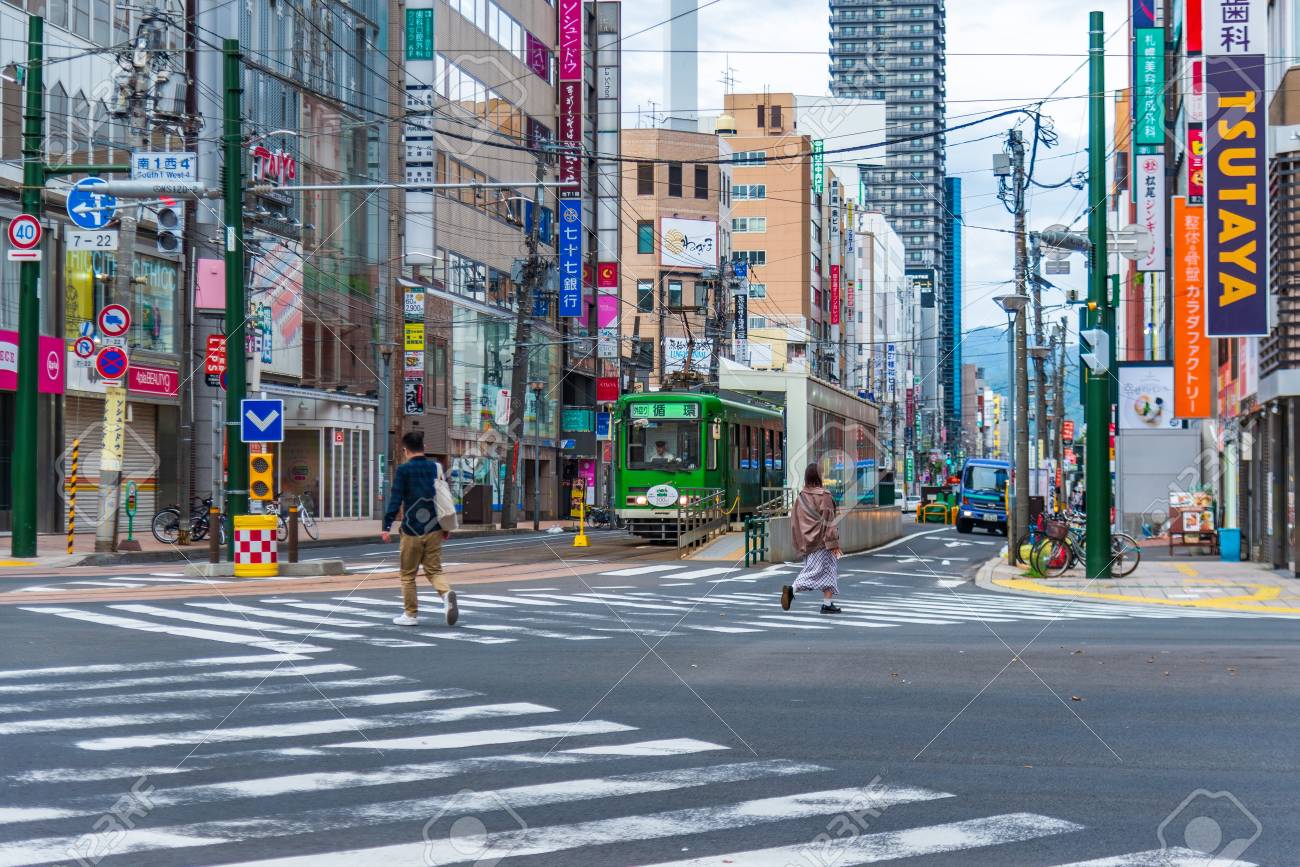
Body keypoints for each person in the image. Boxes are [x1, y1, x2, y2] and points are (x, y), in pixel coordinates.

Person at [381, 430, 458, 627]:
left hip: (411, 529)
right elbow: (443, 499)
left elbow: (395, 500)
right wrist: (445, 527)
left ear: (405, 450)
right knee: (434, 570)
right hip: (434, 528)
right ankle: (446, 593)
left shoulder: (403, 471)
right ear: (424, 448)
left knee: (408, 575)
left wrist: (386, 526)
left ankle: (410, 614)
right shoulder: (436, 468)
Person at [781, 463, 842, 614]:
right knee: (814, 571)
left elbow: (795, 521)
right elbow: (829, 522)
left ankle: (827, 604)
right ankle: (791, 589)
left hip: (808, 542)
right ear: (819, 476)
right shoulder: (825, 496)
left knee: (829, 571)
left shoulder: (801, 497)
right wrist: (834, 543)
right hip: (823, 543)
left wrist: (800, 541)